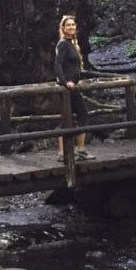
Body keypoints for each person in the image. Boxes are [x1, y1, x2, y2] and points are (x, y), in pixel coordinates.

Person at [54, 14, 96, 161]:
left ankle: (79, 150)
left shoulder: (72, 43)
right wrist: (65, 82)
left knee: (77, 116)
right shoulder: (63, 44)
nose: (71, 27)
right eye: (68, 25)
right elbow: (57, 64)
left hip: (73, 86)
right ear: (63, 28)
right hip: (67, 88)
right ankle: (65, 152)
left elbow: (73, 65)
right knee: (73, 117)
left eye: (73, 24)